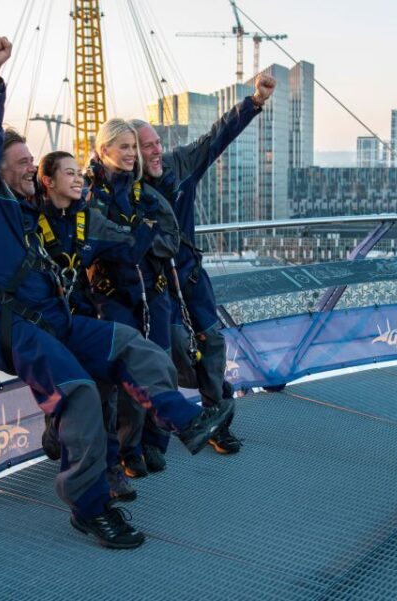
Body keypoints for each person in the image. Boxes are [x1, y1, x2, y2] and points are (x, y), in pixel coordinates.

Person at [0, 37, 232, 549]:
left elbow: (81, 226)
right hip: (13, 327)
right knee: (78, 393)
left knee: (133, 346)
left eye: (33, 162)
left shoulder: (26, 211)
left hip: (50, 319)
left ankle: (184, 419)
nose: (29, 170)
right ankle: (90, 508)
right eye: (21, 163)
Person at [130, 72, 277, 457]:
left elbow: (217, 137)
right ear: (130, 153)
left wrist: (254, 102)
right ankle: (166, 429)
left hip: (191, 277)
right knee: (175, 350)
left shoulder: (179, 165)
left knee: (212, 342)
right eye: (147, 147)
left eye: (157, 143)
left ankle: (218, 421)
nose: (157, 151)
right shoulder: (124, 193)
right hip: (157, 288)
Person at [35, 150, 160, 501]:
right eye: (70, 173)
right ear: (47, 181)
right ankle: (58, 432)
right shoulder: (28, 218)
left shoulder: (87, 220)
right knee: (72, 392)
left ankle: (109, 468)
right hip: (46, 325)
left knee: (103, 391)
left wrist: (148, 222)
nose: (79, 179)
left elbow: (128, 249)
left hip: (83, 318)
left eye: (80, 173)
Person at [84, 119, 183, 478]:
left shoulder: (144, 193)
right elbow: (104, 246)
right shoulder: (90, 195)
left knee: (162, 366)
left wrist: (133, 240)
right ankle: (128, 448)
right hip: (112, 297)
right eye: (122, 147)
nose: (130, 154)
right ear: (103, 150)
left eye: (132, 147)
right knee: (125, 373)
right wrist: (138, 236)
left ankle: (155, 443)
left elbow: (170, 239)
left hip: (152, 295)